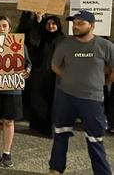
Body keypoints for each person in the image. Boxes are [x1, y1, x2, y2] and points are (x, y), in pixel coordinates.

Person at [49, 10, 114, 175]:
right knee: (60, 133)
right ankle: (56, 169)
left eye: (80, 23)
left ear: (91, 26)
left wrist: (104, 82)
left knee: (95, 139)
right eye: (74, 23)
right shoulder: (65, 44)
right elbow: (55, 66)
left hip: (92, 99)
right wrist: (69, 77)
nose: (75, 26)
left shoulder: (105, 46)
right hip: (66, 96)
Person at [0, 16, 32, 167]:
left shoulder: (19, 44)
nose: (1, 28)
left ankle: (7, 153)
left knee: (9, 122)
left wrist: (27, 71)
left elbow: (28, 63)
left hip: (12, 90)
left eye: (4, 26)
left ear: (10, 28)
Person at [28, 15, 64, 136]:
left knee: (52, 101)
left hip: (55, 76)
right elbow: (34, 41)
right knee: (38, 101)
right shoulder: (41, 37)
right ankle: (37, 126)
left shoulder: (62, 39)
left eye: (54, 24)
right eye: (48, 24)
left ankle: (50, 127)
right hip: (40, 73)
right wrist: (38, 21)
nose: (51, 26)